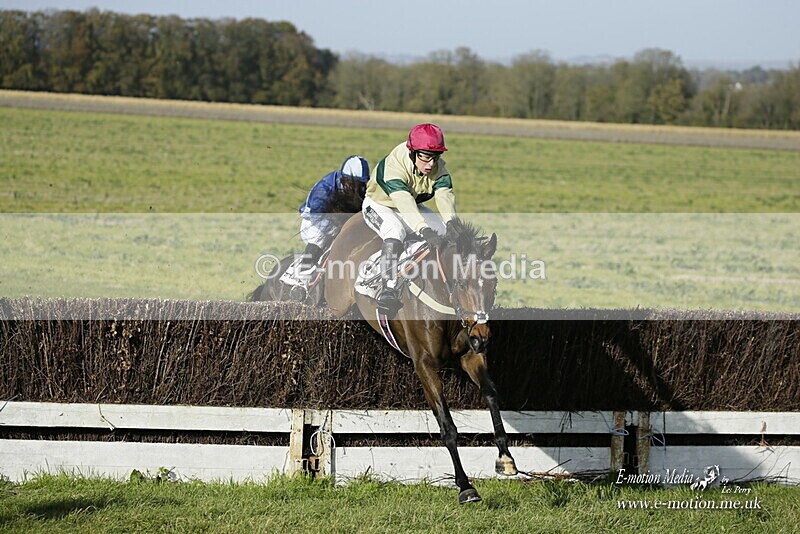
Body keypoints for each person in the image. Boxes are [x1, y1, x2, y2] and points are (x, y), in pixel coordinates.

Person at [362, 123, 457, 312]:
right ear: (412, 152)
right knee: (395, 231)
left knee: (445, 233)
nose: (431, 164)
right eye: (425, 157)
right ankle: (387, 288)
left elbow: (444, 196)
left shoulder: (439, 168)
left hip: (412, 205)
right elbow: (403, 201)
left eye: (436, 157)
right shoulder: (394, 165)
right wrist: (423, 228)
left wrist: (452, 222)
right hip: (379, 205)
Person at [297, 155, 370, 275]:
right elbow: (317, 214)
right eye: (355, 184)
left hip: (337, 220)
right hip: (314, 222)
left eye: (361, 185)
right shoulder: (325, 188)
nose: (359, 189)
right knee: (325, 229)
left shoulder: (361, 187)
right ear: (345, 180)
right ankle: (304, 270)